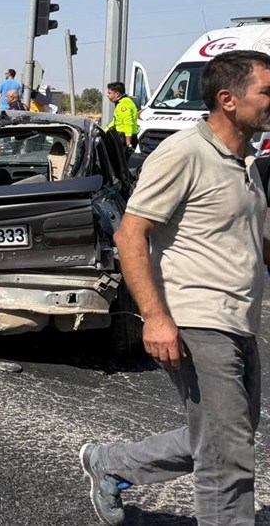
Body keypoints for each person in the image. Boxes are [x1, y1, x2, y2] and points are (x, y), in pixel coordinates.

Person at [79, 50, 270, 526]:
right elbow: (129, 233)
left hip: (238, 319)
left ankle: (112, 463)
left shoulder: (245, 160)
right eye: (267, 91)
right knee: (226, 456)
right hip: (196, 320)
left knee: (230, 436)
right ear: (228, 99)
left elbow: (251, 241)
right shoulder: (185, 152)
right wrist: (157, 317)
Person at [105, 81, 138, 150]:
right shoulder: (121, 103)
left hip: (124, 138)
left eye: (109, 93)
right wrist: (104, 131)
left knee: (120, 159)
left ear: (117, 94)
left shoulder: (124, 104)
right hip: (121, 137)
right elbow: (116, 121)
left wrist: (128, 142)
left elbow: (128, 123)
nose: (107, 95)